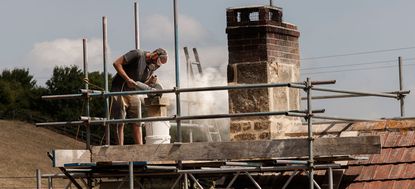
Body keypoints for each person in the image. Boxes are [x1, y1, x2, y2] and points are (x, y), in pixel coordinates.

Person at [110, 48, 168, 145]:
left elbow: (140, 81)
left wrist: (149, 82)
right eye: (158, 62)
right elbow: (116, 63)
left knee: (137, 121)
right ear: (154, 55)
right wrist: (127, 79)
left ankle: (140, 149)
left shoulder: (152, 66)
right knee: (119, 121)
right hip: (119, 89)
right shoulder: (137, 54)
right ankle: (120, 149)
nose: (157, 65)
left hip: (132, 91)